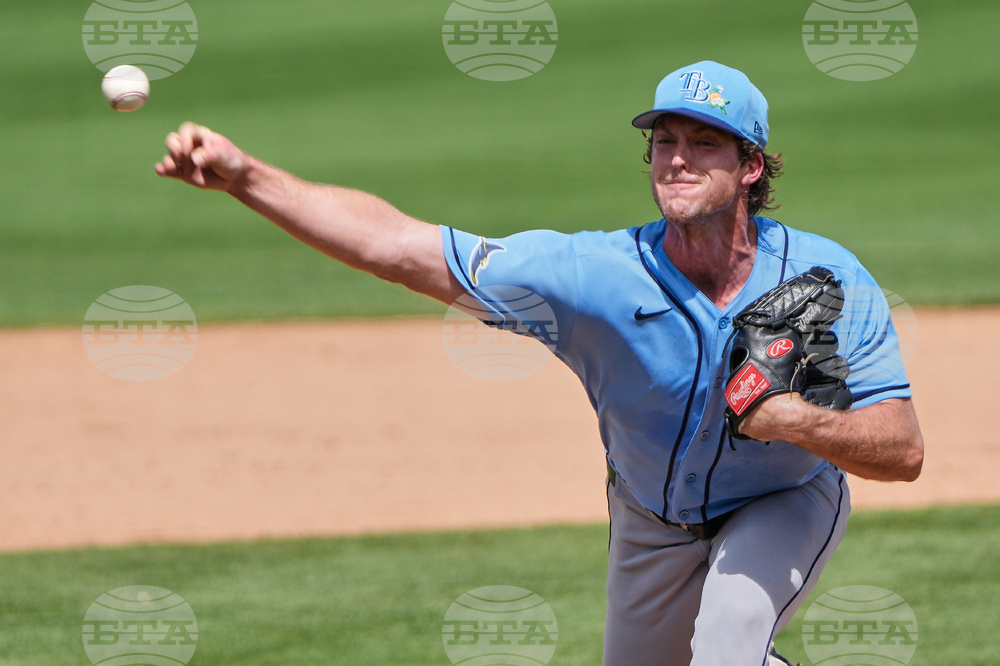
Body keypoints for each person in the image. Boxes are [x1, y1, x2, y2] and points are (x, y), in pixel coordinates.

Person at [156, 60, 923, 666]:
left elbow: (903, 450)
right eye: (665, 140)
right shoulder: (592, 277)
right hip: (649, 524)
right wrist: (246, 178)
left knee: (729, 640)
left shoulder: (824, 280)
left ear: (751, 166)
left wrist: (797, 420)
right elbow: (399, 247)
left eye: (705, 142)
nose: (678, 159)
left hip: (782, 504)